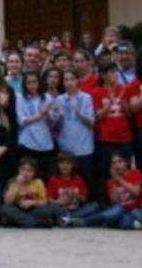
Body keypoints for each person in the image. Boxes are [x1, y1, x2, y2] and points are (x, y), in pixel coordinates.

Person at [92, 63, 132, 203]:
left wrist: (122, 103)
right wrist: (109, 103)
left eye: (116, 72)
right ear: (103, 75)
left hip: (124, 136)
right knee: (106, 172)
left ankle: (126, 200)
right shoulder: (97, 92)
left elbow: (129, 113)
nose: (115, 75)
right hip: (106, 138)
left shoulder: (124, 89)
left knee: (126, 171)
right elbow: (98, 116)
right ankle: (106, 202)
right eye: (111, 72)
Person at [54, 70, 95, 198]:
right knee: (68, 182)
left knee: (86, 182)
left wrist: (79, 114)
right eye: (66, 80)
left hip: (84, 148)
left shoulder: (87, 97)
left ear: (78, 81)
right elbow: (55, 127)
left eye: (72, 79)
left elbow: (91, 122)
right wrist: (59, 118)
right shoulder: (59, 99)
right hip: (66, 148)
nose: (69, 83)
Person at [80, 153, 142, 229]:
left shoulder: (135, 173)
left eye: (120, 161)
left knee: (125, 224)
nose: (117, 165)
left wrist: (118, 179)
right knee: (116, 212)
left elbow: (136, 193)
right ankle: (82, 222)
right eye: (114, 163)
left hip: (134, 210)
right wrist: (115, 181)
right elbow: (115, 202)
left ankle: (106, 220)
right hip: (119, 209)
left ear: (126, 163)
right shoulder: (111, 181)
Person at [0, 157, 60, 228]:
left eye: (29, 171)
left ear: (34, 173)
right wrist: (18, 184)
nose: (25, 173)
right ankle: (36, 223)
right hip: (18, 209)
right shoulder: (13, 181)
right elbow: (7, 202)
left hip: (33, 209)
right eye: (23, 169)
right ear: (19, 170)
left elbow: (44, 202)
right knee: (4, 209)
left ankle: (24, 222)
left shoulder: (38, 182)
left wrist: (32, 202)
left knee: (50, 208)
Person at [14, 71, 53, 181]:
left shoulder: (46, 97)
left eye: (35, 82)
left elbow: (52, 121)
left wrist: (55, 114)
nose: (32, 85)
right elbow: (23, 120)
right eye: (29, 83)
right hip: (27, 142)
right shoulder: (20, 98)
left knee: (44, 176)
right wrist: (41, 114)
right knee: (27, 175)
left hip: (45, 142)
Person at [47, 152, 99, 225]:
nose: (64, 166)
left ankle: (67, 219)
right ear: (57, 165)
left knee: (95, 205)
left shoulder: (78, 179)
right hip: (61, 210)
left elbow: (84, 199)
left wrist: (75, 195)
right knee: (51, 209)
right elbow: (48, 200)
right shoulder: (53, 180)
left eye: (68, 163)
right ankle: (72, 220)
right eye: (61, 163)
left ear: (73, 165)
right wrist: (58, 202)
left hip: (76, 210)